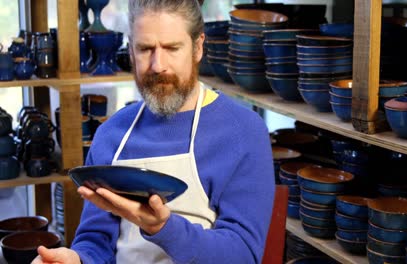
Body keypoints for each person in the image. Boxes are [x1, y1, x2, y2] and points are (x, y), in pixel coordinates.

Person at [32, 0, 275, 263]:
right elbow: (95, 243)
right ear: (131, 49)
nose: (158, 65)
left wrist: (163, 228)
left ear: (197, 47)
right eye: (145, 49)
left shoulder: (243, 132)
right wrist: (77, 260)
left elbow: (243, 255)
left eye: (172, 48)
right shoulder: (112, 134)